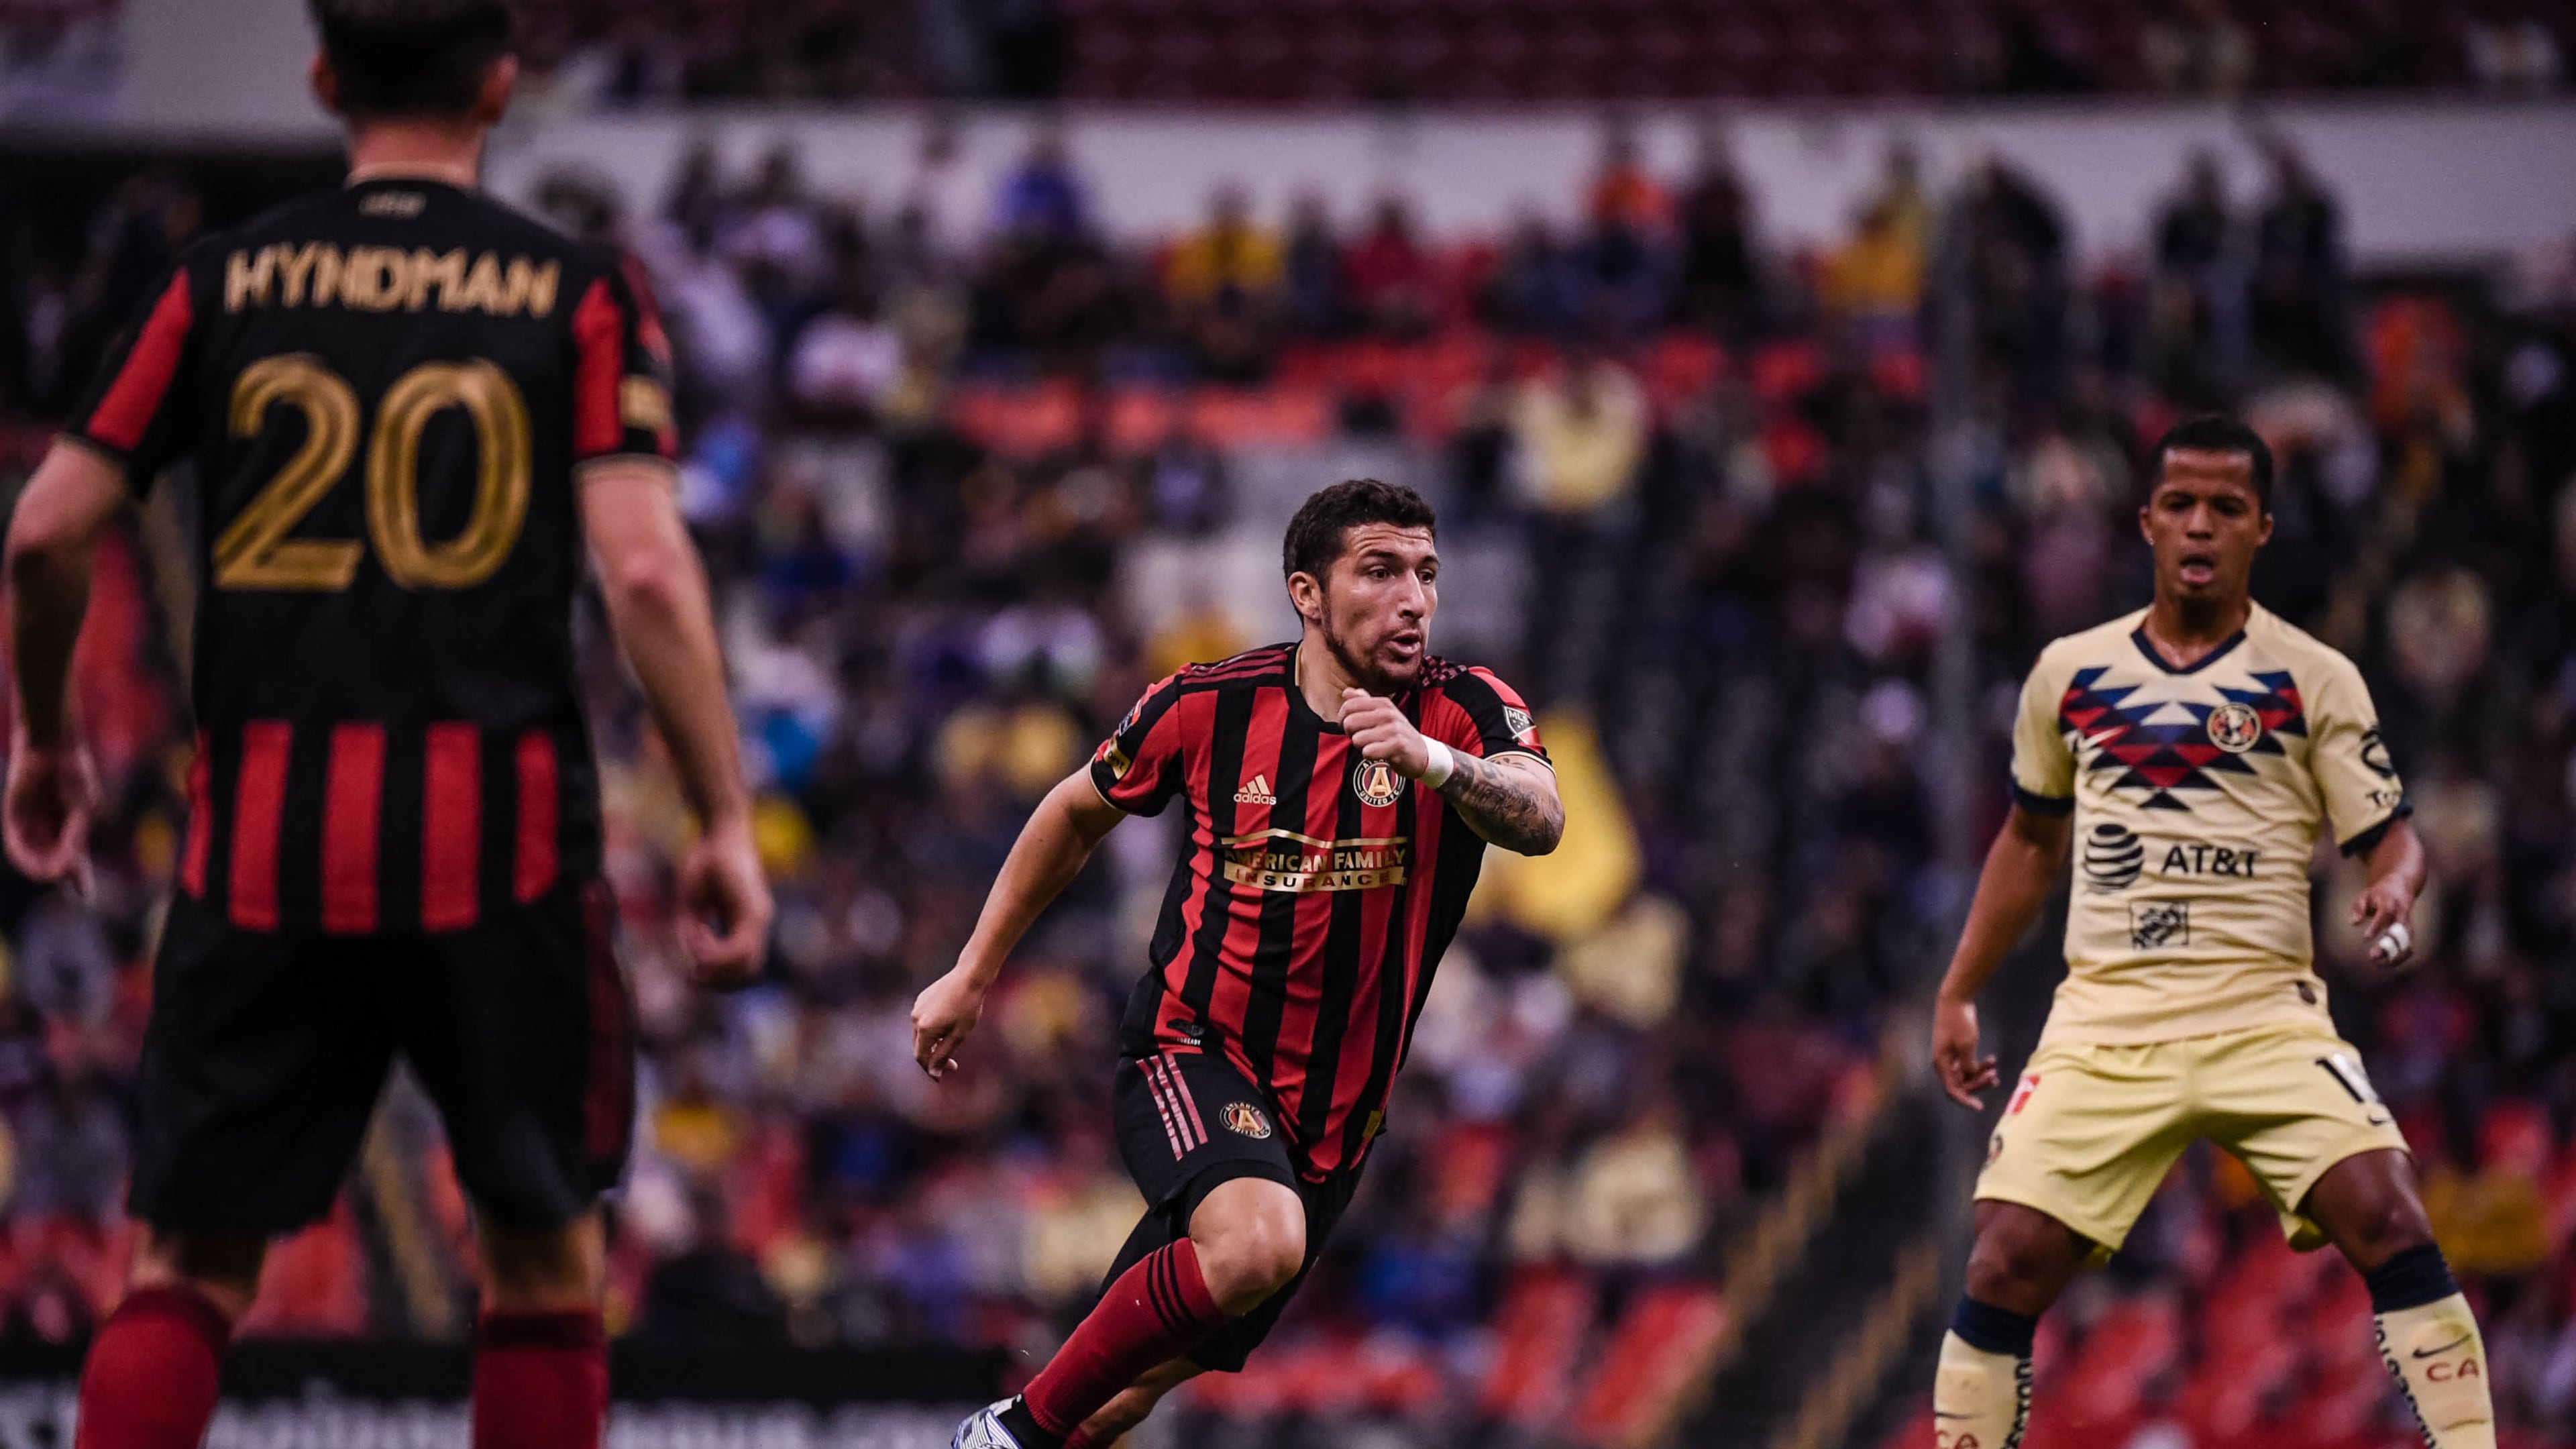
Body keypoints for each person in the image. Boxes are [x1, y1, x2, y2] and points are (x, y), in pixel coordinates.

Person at [1, 5, 773, 1448]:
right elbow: (652, 570)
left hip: (260, 844)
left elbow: (45, 534)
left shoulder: (219, 285)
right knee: (541, 1267)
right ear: (501, 83)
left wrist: (46, 742)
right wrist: (723, 814)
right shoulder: (577, 290)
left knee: (184, 1270)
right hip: (507, 845)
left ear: (320, 81)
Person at [918, 479, 1564, 1449]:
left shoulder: (1463, 710)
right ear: (1307, 592)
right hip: (1192, 1052)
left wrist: (1431, 760)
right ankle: (1009, 1434)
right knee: (1257, 1245)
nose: (1414, 600)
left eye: (1426, 574)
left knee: (1120, 1397)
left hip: (1334, 1127)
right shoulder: (1208, 705)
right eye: (1381, 571)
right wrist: (972, 973)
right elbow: (1074, 811)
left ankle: (1024, 1432)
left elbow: (1543, 818)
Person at [1927, 417, 2491, 1449]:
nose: (2200, 525)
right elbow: (2026, 843)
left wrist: (2395, 888)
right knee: (2001, 1258)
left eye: (2226, 507)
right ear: (2146, 523)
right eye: (2180, 504)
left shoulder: (2315, 677)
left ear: (2262, 529)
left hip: (2263, 1016)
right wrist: (1960, 986)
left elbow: (2395, 839)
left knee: (2393, 1217)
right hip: (2109, 1018)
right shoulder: (2069, 675)